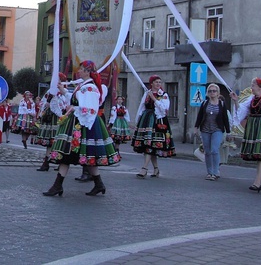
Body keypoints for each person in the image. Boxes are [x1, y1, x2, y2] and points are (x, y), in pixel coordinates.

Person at [43, 61, 120, 197]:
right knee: (83, 156)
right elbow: (76, 101)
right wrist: (63, 90)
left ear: (87, 71)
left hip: (82, 124)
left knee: (69, 155)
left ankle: (58, 186)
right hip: (77, 122)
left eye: (82, 69)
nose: (79, 71)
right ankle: (98, 184)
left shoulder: (89, 87)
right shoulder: (83, 86)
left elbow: (89, 108)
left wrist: (81, 124)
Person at [131, 75, 175, 178]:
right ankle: (155, 169)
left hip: (158, 121)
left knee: (151, 145)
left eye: (160, 82)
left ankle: (144, 168)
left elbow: (164, 109)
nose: (158, 84)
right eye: (156, 82)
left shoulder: (163, 95)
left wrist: (154, 99)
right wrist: (137, 121)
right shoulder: (147, 93)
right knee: (149, 146)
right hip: (146, 120)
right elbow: (141, 107)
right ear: (152, 84)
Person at [193, 83, 231, 181]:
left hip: (217, 130)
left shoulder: (221, 104)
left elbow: (225, 118)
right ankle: (209, 172)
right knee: (207, 152)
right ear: (207, 93)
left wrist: (228, 131)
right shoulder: (205, 103)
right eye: (210, 91)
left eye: (214, 91)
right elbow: (200, 116)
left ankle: (215, 171)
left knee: (214, 150)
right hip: (205, 130)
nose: (212, 93)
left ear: (218, 93)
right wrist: (196, 128)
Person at [34, 76, 68, 171]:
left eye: (58, 80)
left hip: (59, 118)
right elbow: (43, 103)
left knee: (59, 141)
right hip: (50, 118)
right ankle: (46, 163)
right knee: (49, 141)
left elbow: (66, 104)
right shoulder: (50, 91)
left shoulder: (63, 91)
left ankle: (59, 162)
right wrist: (43, 106)